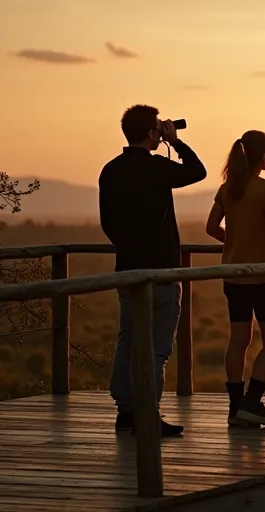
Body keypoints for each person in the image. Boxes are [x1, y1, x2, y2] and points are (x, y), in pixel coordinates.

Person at [99, 105, 207, 437]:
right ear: (151, 133)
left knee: (128, 341)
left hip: (127, 269)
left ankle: (126, 412)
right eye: (158, 129)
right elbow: (197, 171)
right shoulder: (157, 167)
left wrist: (127, 246)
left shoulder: (110, 170)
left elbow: (107, 223)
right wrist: (176, 142)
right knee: (157, 347)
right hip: (161, 271)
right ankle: (148, 413)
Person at [205, 130, 265, 428]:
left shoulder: (228, 188)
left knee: (239, 340)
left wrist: (234, 241)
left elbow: (211, 227)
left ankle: (235, 406)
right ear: (264, 157)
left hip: (233, 275)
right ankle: (253, 401)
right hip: (262, 277)